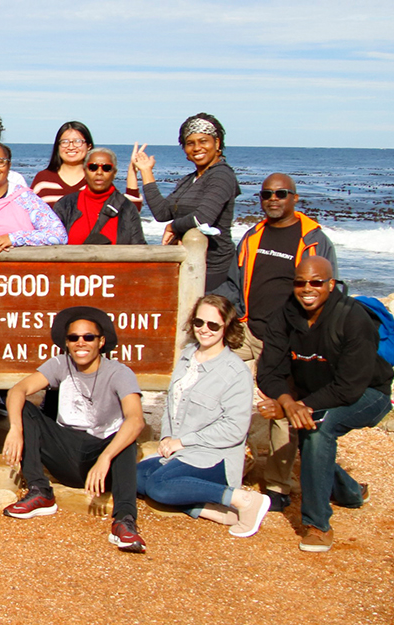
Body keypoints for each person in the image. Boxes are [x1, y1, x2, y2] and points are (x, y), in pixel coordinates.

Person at [211, 173, 338, 511]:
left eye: (281, 193)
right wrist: (223, 312)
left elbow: (331, 289)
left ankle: (280, 486)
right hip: (247, 330)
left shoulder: (313, 239)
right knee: (215, 389)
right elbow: (234, 282)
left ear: (294, 198)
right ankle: (218, 469)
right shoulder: (254, 236)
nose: (273, 199)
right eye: (266, 194)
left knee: (283, 410)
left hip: (286, 338)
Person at [255, 256, 392, 552]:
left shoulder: (352, 318)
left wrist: (294, 406)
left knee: (317, 428)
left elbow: (349, 387)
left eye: (316, 282)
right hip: (315, 396)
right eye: (300, 282)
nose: (307, 289)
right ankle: (351, 492)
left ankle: (317, 525)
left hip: (369, 394)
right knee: (310, 424)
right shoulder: (284, 315)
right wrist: (289, 403)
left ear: (331, 284)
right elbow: (268, 371)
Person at [2, 306, 147, 553]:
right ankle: (40, 491)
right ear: (66, 343)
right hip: (67, 449)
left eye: (88, 337)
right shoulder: (60, 364)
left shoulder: (119, 373)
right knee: (25, 409)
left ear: (101, 342)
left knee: (126, 440)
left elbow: (136, 419)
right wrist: (15, 428)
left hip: (101, 454)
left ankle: (124, 521)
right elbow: (18, 390)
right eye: (74, 338)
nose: (81, 343)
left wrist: (105, 458)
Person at [137, 295, 270, 536]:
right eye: (199, 322)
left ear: (227, 327)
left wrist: (183, 441)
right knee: (135, 477)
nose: (204, 330)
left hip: (213, 457)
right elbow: (171, 404)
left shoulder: (235, 372)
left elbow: (233, 428)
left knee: (158, 486)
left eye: (213, 325)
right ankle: (213, 511)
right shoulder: (187, 357)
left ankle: (244, 500)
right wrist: (167, 437)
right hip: (180, 452)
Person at [132, 113, 238, 291]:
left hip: (214, 271)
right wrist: (146, 171)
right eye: (190, 143)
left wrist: (174, 227)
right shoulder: (189, 181)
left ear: (217, 143)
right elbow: (162, 212)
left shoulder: (222, 175)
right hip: (188, 264)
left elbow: (202, 218)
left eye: (203, 141)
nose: (197, 148)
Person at [50, 148, 147, 245]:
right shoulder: (65, 205)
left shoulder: (127, 208)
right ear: (85, 171)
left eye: (106, 168)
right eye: (93, 167)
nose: (99, 172)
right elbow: (53, 244)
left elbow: (139, 248)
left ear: (114, 173)